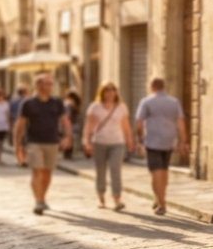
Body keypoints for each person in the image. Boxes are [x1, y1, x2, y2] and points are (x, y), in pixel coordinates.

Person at [13, 75, 72, 215]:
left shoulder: (56, 102)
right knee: (37, 171)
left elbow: (65, 121)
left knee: (47, 173)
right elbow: (20, 124)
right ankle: (38, 201)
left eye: (51, 84)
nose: (51, 87)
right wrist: (17, 145)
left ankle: (42, 197)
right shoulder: (28, 104)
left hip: (52, 142)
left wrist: (68, 137)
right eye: (48, 84)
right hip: (34, 142)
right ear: (38, 86)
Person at [134, 77, 186, 216]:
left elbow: (139, 123)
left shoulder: (146, 102)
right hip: (169, 141)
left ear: (151, 87)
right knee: (164, 170)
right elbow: (180, 123)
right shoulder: (174, 102)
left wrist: (139, 138)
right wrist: (183, 141)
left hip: (152, 141)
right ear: (164, 86)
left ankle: (161, 203)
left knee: (156, 172)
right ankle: (160, 197)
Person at [83, 82, 131, 211]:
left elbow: (126, 126)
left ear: (116, 92)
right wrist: (86, 141)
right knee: (101, 171)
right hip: (99, 143)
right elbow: (88, 126)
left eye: (112, 90)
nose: (110, 93)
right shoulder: (95, 107)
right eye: (107, 90)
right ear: (102, 92)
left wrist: (130, 141)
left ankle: (117, 199)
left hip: (117, 143)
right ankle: (101, 197)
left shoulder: (121, 107)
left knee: (116, 169)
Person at [9, 84, 27, 167]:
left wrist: (10, 124)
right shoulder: (27, 102)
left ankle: (18, 159)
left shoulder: (13, 102)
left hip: (15, 122)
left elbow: (9, 113)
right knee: (24, 142)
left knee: (17, 142)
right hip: (25, 124)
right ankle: (23, 159)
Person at [62, 91, 83, 160]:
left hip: (70, 123)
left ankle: (67, 153)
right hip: (73, 123)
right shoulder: (73, 104)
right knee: (71, 138)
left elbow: (67, 114)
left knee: (69, 137)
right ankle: (68, 153)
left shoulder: (67, 103)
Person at [0, 89, 9, 165]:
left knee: (0, 143)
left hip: (3, 126)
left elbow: (8, 114)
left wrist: (8, 125)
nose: (0, 96)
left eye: (1, 95)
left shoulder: (6, 104)